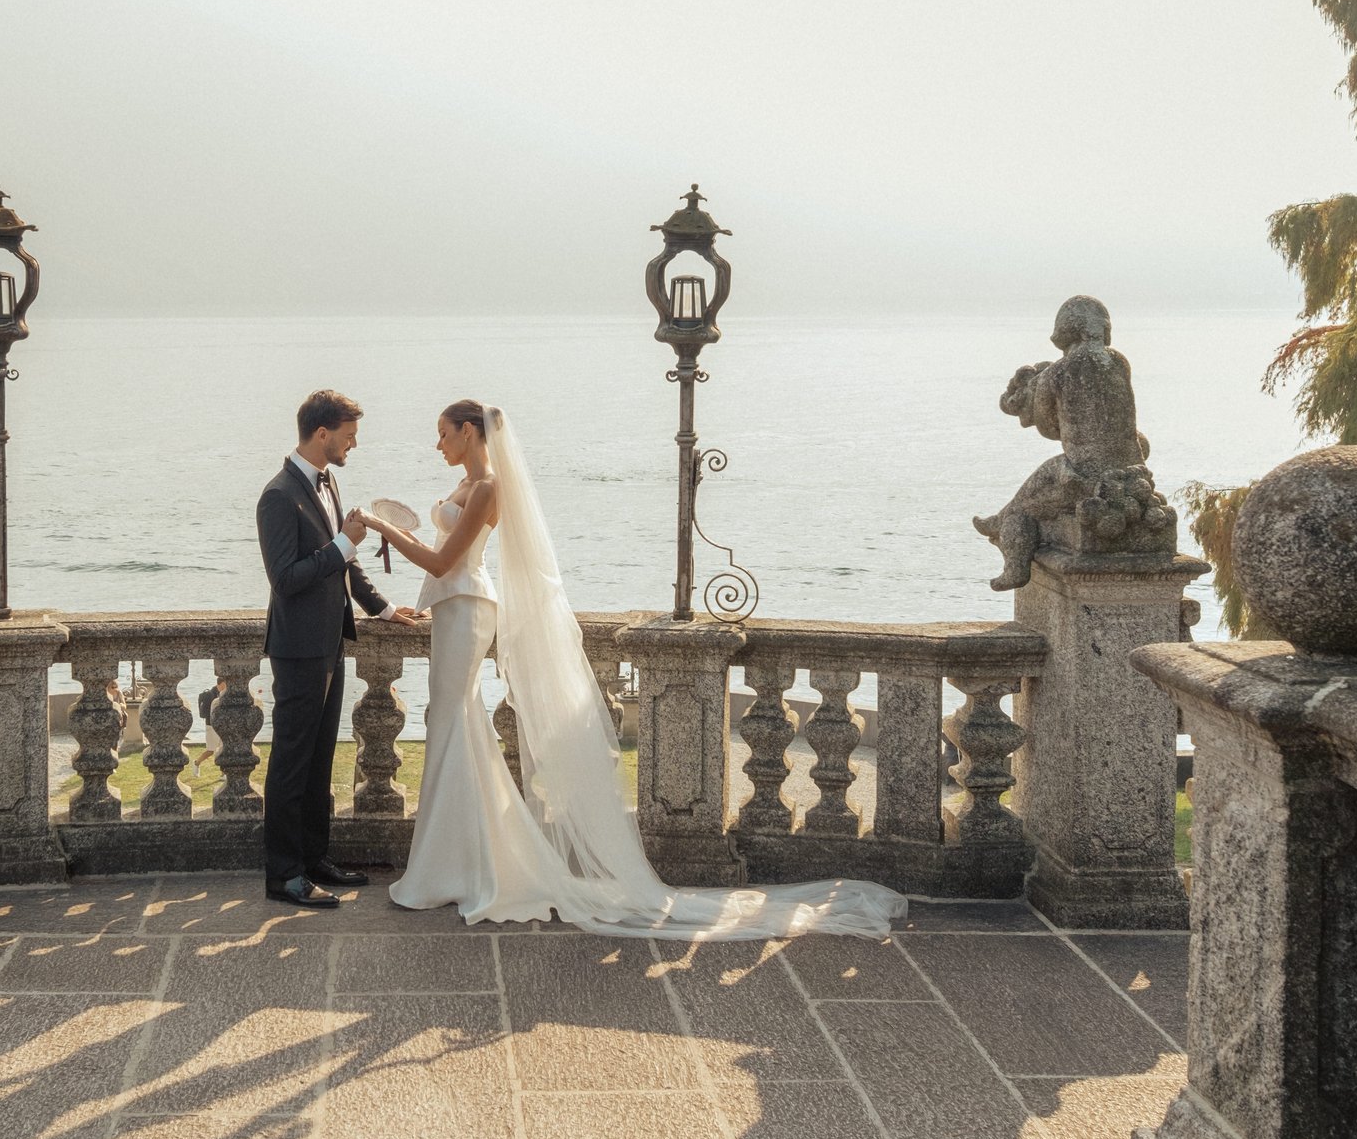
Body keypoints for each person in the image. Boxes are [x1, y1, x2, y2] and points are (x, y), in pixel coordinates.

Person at [365, 401, 905, 939]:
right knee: (455, 725)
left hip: (465, 605)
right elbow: (444, 556)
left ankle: (458, 866)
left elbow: (444, 561)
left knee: (453, 722)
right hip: (453, 606)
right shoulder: (472, 483)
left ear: (468, 431)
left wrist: (378, 527)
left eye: (443, 434)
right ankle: (461, 859)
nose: (437, 444)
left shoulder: (487, 487)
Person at [256, 389, 420, 908]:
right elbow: (287, 578)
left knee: (321, 758)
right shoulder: (278, 496)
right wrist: (345, 543)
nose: (355, 443)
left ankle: (314, 857)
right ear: (322, 433)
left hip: (329, 644)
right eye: (349, 435)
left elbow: (345, 566)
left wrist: (385, 609)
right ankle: (283, 875)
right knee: (290, 762)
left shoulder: (329, 483)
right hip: (298, 649)